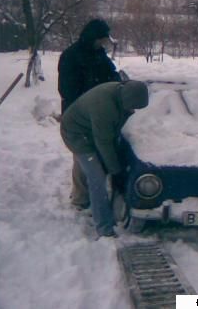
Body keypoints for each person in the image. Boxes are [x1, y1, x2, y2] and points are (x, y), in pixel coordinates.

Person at [60, 80, 149, 238]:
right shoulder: (104, 107)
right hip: (76, 134)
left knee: (88, 166)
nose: (133, 110)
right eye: (132, 106)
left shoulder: (119, 93)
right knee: (97, 177)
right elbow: (104, 142)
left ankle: (80, 200)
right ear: (126, 99)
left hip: (88, 128)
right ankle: (104, 227)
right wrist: (115, 170)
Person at [58, 18, 121, 209]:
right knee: (84, 154)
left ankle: (91, 191)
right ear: (92, 37)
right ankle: (80, 198)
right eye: (101, 40)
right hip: (78, 114)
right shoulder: (71, 56)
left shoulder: (98, 54)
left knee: (94, 153)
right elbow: (67, 89)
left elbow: (112, 75)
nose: (103, 43)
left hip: (100, 109)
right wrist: (91, 102)